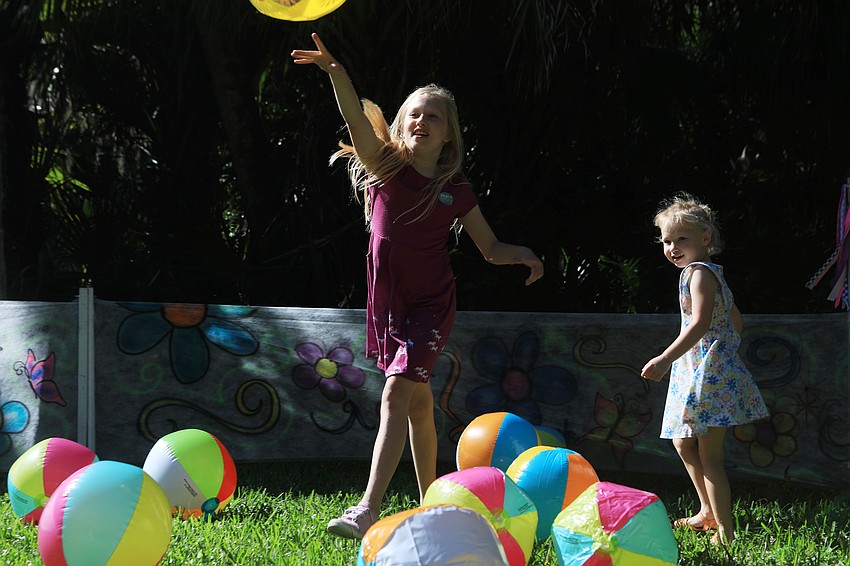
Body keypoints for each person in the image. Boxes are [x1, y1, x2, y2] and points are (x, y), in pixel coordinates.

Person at [291, 33, 544, 540]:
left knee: (395, 393)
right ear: (402, 123)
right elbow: (357, 121)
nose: (421, 122)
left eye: (434, 117)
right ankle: (434, 504)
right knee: (419, 403)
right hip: (389, 303)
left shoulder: (456, 191)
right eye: (414, 114)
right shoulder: (385, 167)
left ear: (449, 135)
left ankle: (367, 508)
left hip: (432, 304)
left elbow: (489, 248)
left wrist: (521, 255)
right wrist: (336, 71)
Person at [641, 192, 768, 547]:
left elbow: (698, 324)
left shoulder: (699, 274)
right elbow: (736, 321)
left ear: (705, 238)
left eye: (682, 238)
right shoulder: (706, 274)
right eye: (667, 240)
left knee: (710, 456)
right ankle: (706, 510)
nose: (672, 247)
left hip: (706, 372)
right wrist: (721, 347)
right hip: (699, 368)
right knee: (683, 442)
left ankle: (725, 532)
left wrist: (667, 358)